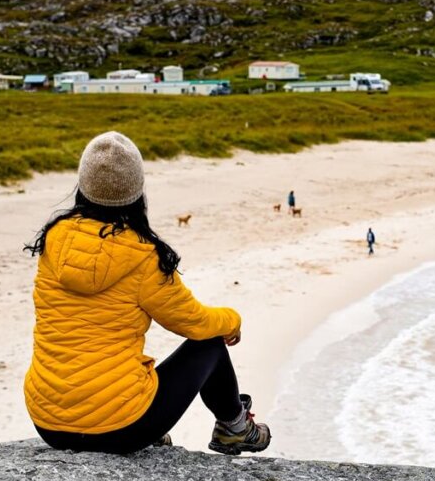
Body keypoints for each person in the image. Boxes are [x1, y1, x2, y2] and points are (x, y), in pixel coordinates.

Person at [23, 131, 269, 456]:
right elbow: (195, 322)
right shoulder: (142, 255)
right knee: (209, 344)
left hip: (48, 421)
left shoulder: (54, 242)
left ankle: (165, 427)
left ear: (83, 187)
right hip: (119, 428)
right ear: (136, 191)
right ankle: (235, 429)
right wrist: (232, 321)